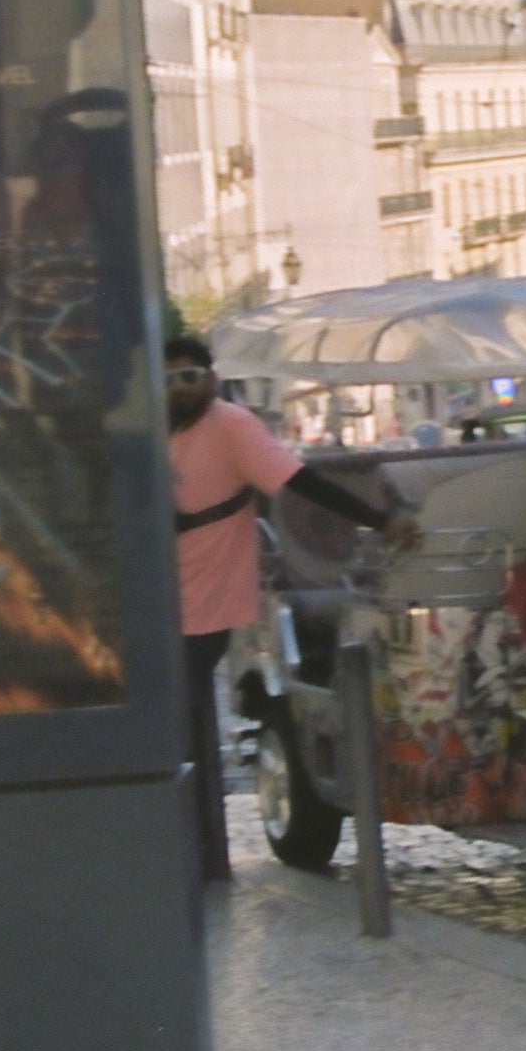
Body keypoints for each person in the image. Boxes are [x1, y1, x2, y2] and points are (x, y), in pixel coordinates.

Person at [165, 335, 412, 881]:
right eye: (168, 380)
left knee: (180, 727)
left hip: (204, 601)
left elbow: (303, 484)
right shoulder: (160, 430)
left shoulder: (232, 426)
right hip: (160, 601)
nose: (179, 389)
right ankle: (192, 850)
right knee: (178, 727)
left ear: (211, 379)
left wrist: (381, 521)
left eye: (189, 377)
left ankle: (191, 855)